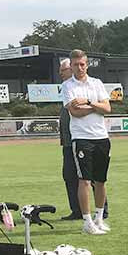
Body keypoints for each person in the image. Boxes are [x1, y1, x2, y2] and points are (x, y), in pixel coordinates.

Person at [62, 48, 112, 235]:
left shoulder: (96, 83)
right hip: (82, 138)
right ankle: (87, 222)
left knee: (101, 181)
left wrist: (89, 102)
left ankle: (99, 219)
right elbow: (74, 112)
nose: (80, 67)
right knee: (84, 180)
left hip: (101, 137)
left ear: (87, 64)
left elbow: (107, 108)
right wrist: (95, 106)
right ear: (71, 66)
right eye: (76, 65)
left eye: (82, 64)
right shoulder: (68, 86)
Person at [57, 57, 82, 220]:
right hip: (67, 142)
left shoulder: (78, 88)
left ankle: (103, 209)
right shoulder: (66, 88)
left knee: (88, 177)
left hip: (79, 139)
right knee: (69, 176)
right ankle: (77, 210)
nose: (60, 74)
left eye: (62, 70)